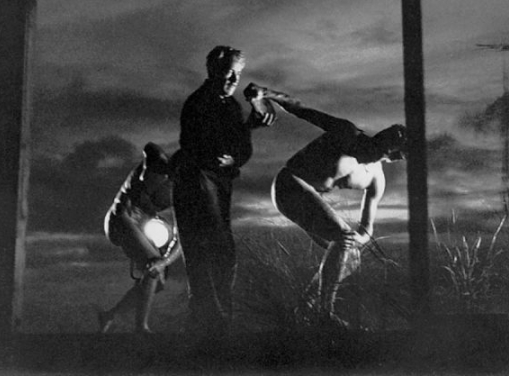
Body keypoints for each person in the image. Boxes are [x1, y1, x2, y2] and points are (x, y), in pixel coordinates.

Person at [244, 82, 406, 321]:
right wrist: (265, 94)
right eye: (376, 142)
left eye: (380, 152)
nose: (370, 151)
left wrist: (357, 241)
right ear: (378, 137)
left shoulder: (375, 179)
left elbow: (366, 228)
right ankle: (324, 313)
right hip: (289, 184)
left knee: (350, 257)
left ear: (390, 158)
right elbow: (301, 109)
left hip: (307, 197)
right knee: (342, 238)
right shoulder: (346, 133)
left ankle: (304, 308)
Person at [172, 46, 275, 337]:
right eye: (229, 72)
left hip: (218, 184)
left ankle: (211, 324)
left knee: (219, 253)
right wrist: (224, 153)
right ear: (213, 71)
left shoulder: (231, 107)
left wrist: (247, 130)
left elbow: (240, 150)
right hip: (195, 182)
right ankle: (212, 324)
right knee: (208, 251)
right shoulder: (198, 103)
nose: (233, 79)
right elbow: (196, 146)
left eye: (238, 73)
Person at [98, 142, 182, 334]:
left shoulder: (183, 191)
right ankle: (141, 327)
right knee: (152, 266)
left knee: (158, 280)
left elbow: (182, 236)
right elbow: (122, 214)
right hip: (120, 220)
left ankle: (109, 315)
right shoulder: (152, 168)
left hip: (141, 225)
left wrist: (165, 260)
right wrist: (155, 261)